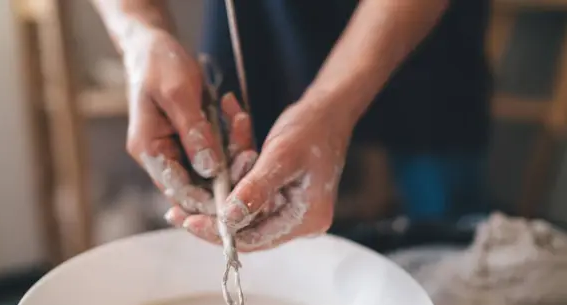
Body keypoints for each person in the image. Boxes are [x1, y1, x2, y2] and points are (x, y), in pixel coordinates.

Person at [90, 0, 490, 252]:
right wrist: (141, 33)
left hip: (416, 27)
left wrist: (331, 107)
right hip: (264, 22)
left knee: (447, 241)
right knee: (251, 192)